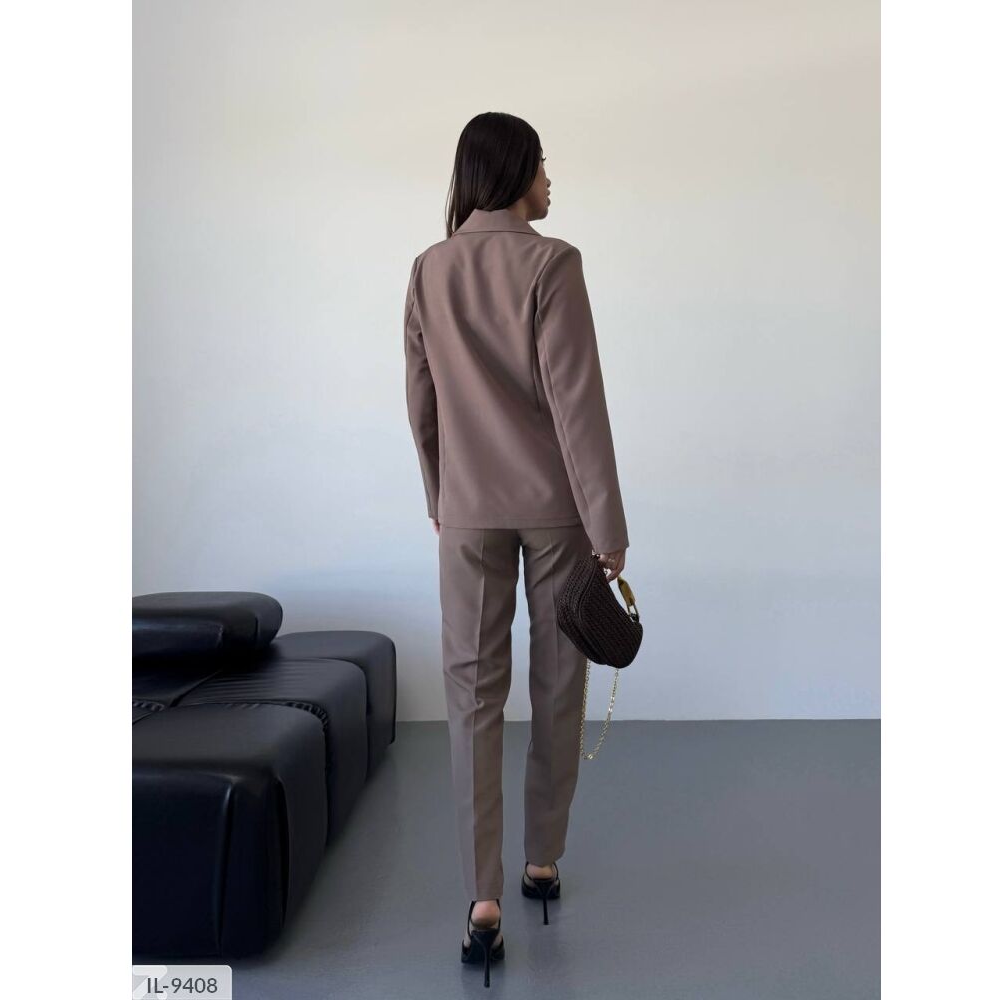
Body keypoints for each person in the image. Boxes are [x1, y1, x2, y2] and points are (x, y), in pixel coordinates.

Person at [403, 110, 629, 983]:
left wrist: (441, 495)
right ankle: (539, 861)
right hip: (554, 512)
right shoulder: (551, 263)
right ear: (511, 172)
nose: (548, 180)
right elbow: (577, 403)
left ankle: (480, 902)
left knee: (470, 695)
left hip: (467, 512)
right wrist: (607, 526)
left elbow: (421, 399)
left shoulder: (429, 269)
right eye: (540, 165)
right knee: (557, 682)